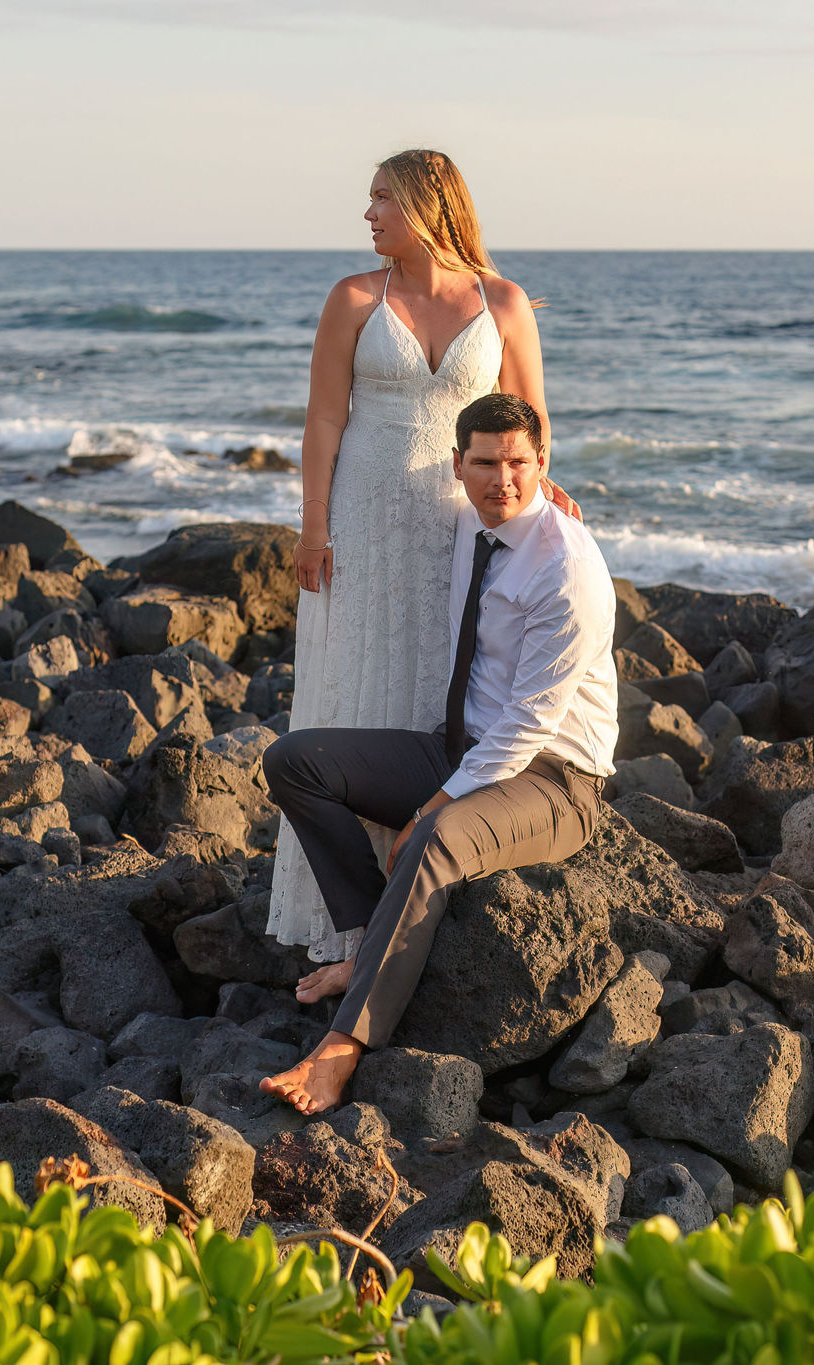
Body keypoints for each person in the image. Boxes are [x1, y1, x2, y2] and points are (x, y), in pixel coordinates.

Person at [257, 392, 618, 1115]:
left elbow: (530, 722)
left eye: (519, 463)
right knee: (295, 761)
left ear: (544, 464)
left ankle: (342, 1047)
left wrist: (437, 800)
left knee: (434, 835)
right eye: (485, 462)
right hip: (463, 748)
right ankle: (366, 952)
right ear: (458, 466)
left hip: (555, 778)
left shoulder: (567, 567)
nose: (502, 480)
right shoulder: (468, 523)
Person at [265, 148, 569, 974]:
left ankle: (434, 875)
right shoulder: (355, 300)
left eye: (381, 200)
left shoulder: (501, 302)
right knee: (356, 674)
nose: (367, 216)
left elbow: (530, 425)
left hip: (454, 519)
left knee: (449, 674)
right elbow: (324, 422)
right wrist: (313, 525)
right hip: (363, 524)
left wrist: (548, 497)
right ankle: (351, 915)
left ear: (428, 206)